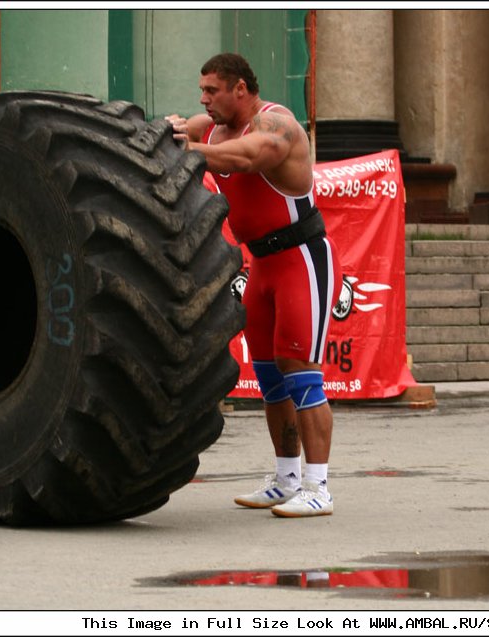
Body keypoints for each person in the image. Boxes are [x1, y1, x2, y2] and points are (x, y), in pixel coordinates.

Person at [167, 53, 342, 518]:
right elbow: (183, 131)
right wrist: (169, 131)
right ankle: (286, 479)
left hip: (301, 259)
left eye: (212, 91)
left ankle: (318, 487)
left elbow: (249, 158)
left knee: (301, 374)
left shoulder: (277, 123)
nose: (203, 99)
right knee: (269, 378)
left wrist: (192, 148)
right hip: (261, 266)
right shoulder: (211, 126)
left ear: (240, 89)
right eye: (202, 90)